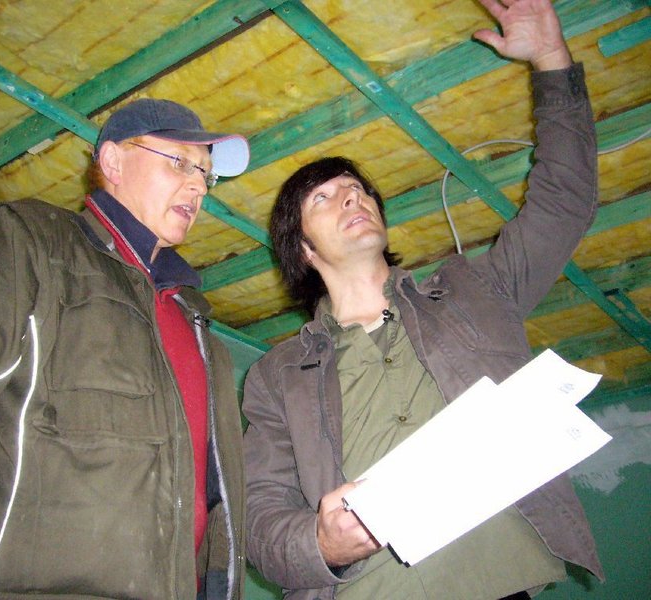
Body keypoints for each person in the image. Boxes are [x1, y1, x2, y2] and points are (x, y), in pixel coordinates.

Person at [242, 1, 604, 598]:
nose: (352, 197)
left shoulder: (475, 293)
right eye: (324, 199)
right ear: (303, 250)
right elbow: (259, 516)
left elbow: (564, 200)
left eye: (357, 189)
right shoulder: (275, 375)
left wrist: (550, 59)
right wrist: (321, 545)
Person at [0, 98, 250, 599]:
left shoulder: (202, 332)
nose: (198, 186)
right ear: (113, 162)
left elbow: (216, 522)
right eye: (179, 162)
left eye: (205, 174)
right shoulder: (27, 243)